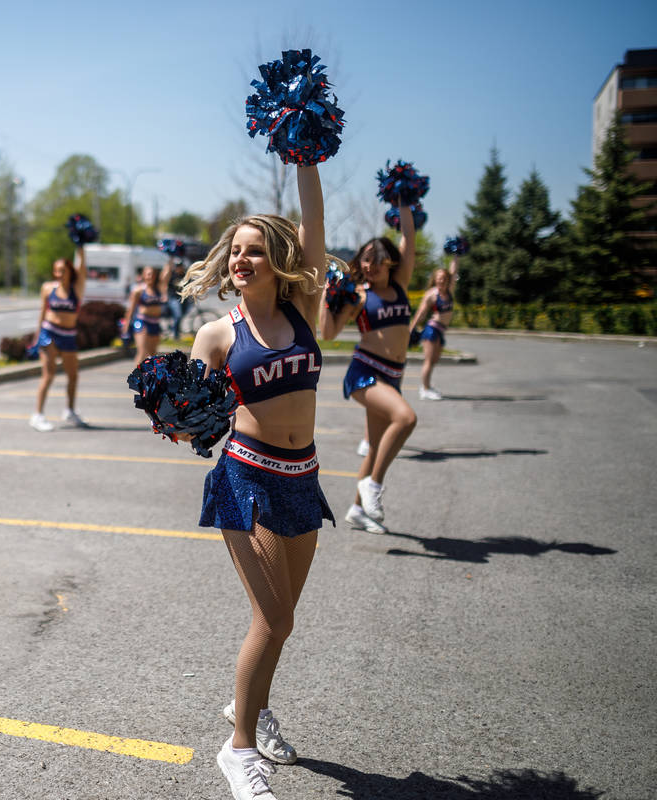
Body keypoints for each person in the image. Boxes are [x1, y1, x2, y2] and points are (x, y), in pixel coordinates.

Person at [180, 165, 332, 800]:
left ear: (279, 259)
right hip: (248, 477)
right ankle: (239, 751)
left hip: (304, 476)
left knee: (282, 620)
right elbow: (190, 414)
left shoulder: (306, 310)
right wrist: (182, 412)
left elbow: (316, 224)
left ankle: (254, 709)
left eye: (254, 250)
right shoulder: (218, 333)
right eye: (235, 251)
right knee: (272, 621)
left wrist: (306, 159)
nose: (241, 259)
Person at [319, 203, 418, 534]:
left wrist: (404, 202)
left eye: (376, 260)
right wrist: (326, 296)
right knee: (405, 418)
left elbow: (409, 238)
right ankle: (373, 486)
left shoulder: (401, 283)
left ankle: (358, 510)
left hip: (393, 375)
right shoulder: (357, 295)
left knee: (376, 446)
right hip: (365, 372)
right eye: (364, 259)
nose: (368, 265)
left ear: (390, 262)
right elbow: (329, 334)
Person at [30, 243, 89, 431]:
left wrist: (80, 247)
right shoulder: (48, 288)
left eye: (62, 271)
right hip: (50, 333)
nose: (59, 274)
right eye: (56, 271)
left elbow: (82, 266)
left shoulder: (77, 288)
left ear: (70, 271)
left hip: (68, 335)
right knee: (49, 374)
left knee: (73, 375)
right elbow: (42, 312)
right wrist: (37, 335)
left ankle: (69, 410)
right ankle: (37, 415)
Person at [408, 256, 459, 400]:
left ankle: (427, 386)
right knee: (429, 361)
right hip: (432, 330)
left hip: (441, 331)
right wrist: (411, 328)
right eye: (438, 278)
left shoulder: (449, 291)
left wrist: (456, 255)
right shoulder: (432, 294)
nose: (441, 280)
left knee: (434, 360)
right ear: (435, 279)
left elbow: (454, 271)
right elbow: (421, 312)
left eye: (443, 278)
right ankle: (424, 389)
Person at [122, 258, 173, 365]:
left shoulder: (159, 288)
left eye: (153, 274)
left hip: (155, 322)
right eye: (148, 274)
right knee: (142, 352)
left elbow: (166, 275)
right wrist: (126, 326)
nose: (151, 276)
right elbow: (130, 309)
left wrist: (170, 258)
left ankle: (149, 379)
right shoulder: (139, 290)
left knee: (152, 354)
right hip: (142, 322)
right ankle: (137, 378)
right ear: (144, 275)